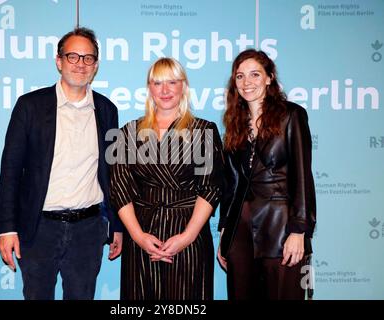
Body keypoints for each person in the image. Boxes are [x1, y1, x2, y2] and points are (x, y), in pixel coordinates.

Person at [0, 27, 123, 300]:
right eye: (73, 56)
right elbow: (10, 171)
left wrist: (116, 225)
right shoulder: (30, 106)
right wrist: (7, 228)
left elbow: (112, 174)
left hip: (88, 231)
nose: (80, 64)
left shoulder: (107, 110)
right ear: (59, 61)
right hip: (39, 229)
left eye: (88, 58)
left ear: (96, 65)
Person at [109, 57, 223, 300]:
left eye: (172, 81)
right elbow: (119, 188)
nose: (165, 90)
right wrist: (138, 237)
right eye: (157, 83)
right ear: (149, 88)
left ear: (183, 86)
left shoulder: (204, 131)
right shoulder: (129, 132)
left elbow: (211, 188)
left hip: (188, 236)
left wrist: (186, 237)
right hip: (141, 235)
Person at [218, 49, 316, 300]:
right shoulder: (234, 123)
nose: (246, 82)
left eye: (254, 74)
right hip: (239, 234)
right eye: (240, 76)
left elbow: (303, 177)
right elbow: (231, 184)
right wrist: (224, 234)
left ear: (269, 77)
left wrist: (299, 231)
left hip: (281, 229)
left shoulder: (291, 115)